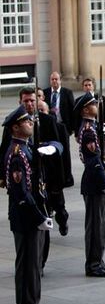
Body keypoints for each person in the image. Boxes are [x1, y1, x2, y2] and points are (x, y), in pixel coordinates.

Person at [0, 88, 66, 275]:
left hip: (45, 182)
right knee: (34, 226)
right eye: (25, 101)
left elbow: (59, 144)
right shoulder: (15, 127)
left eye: (32, 100)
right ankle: (36, 266)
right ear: (20, 102)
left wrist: (53, 153)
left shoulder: (45, 120)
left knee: (44, 230)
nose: (29, 104)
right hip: (26, 186)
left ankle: (40, 263)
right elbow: (5, 150)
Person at [3, 106, 56, 304]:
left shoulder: (27, 149)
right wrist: (38, 217)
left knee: (34, 264)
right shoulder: (17, 154)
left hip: (32, 216)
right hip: (25, 219)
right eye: (26, 122)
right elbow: (20, 193)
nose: (31, 124)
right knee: (26, 266)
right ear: (16, 127)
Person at [75, 92, 105, 277]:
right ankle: (92, 264)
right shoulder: (87, 130)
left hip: (98, 180)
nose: (97, 106)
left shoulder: (93, 127)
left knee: (100, 223)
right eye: (94, 104)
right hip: (95, 182)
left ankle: (99, 260)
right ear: (86, 109)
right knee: (94, 225)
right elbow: (93, 160)